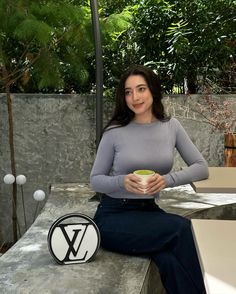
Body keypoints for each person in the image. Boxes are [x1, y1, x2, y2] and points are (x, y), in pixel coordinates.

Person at [90, 65, 208, 294]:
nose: (135, 97)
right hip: (114, 216)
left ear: (152, 90)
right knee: (182, 228)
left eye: (141, 89)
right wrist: (122, 181)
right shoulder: (114, 132)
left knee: (168, 260)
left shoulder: (171, 127)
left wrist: (166, 180)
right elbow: (95, 180)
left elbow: (201, 168)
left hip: (148, 212)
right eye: (128, 92)